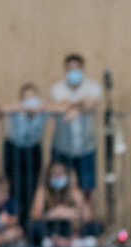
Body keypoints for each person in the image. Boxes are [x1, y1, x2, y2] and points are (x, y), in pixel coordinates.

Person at [48, 54, 103, 200]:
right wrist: (80, 105)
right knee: (60, 188)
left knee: (87, 188)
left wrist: (73, 107)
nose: (74, 72)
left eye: (76, 68)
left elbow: (92, 103)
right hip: (62, 147)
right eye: (70, 69)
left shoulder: (93, 87)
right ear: (65, 70)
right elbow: (59, 105)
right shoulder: (58, 88)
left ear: (82, 69)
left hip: (86, 148)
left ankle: (87, 214)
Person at [1, 83, 48, 236]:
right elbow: (2, 108)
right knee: (15, 189)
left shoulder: (42, 110)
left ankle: (25, 226)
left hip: (33, 150)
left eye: (33, 97)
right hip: (15, 150)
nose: (30, 101)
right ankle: (14, 225)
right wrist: (20, 108)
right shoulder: (17, 109)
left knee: (30, 189)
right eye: (27, 97)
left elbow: (60, 107)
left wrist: (42, 108)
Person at [30, 161, 95, 247]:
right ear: (49, 176)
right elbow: (35, 215)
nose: (58, 176)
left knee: (94, 226)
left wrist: (69, 213)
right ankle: (52, 241)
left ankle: (73, 241)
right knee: (34, 227)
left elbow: (88, 216)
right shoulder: (43, 191)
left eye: (61, 173)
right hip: (51, 230)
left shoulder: (74, 191)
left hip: (72, 230)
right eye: (54, 173)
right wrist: (52, 213)